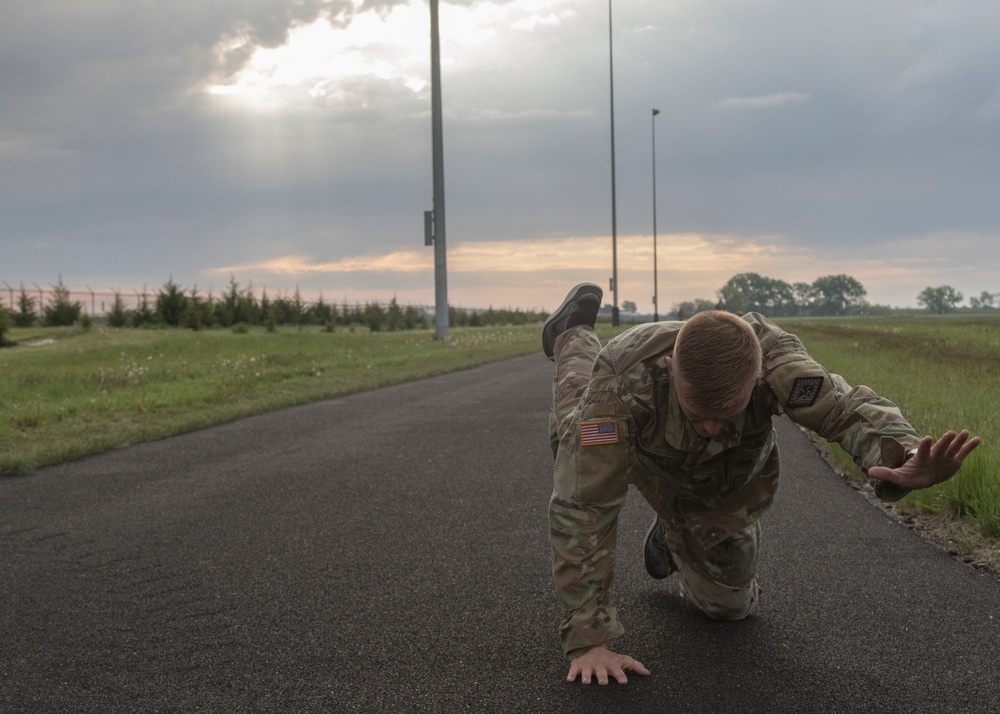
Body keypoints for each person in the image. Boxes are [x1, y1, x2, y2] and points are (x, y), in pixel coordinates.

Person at [543, 282, 981, 686]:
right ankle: (573, 333)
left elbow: (844, 409)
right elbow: (584, 507)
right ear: (673, 369)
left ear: (756, 379)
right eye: (698, 415)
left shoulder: (777, 364)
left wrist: (903, 454)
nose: (712, 428)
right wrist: (589, 641)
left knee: (728, 609)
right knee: (570, 435)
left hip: (724, 484)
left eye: (725, 414)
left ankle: (676, 531)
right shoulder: (621, 386)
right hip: (647, 451)